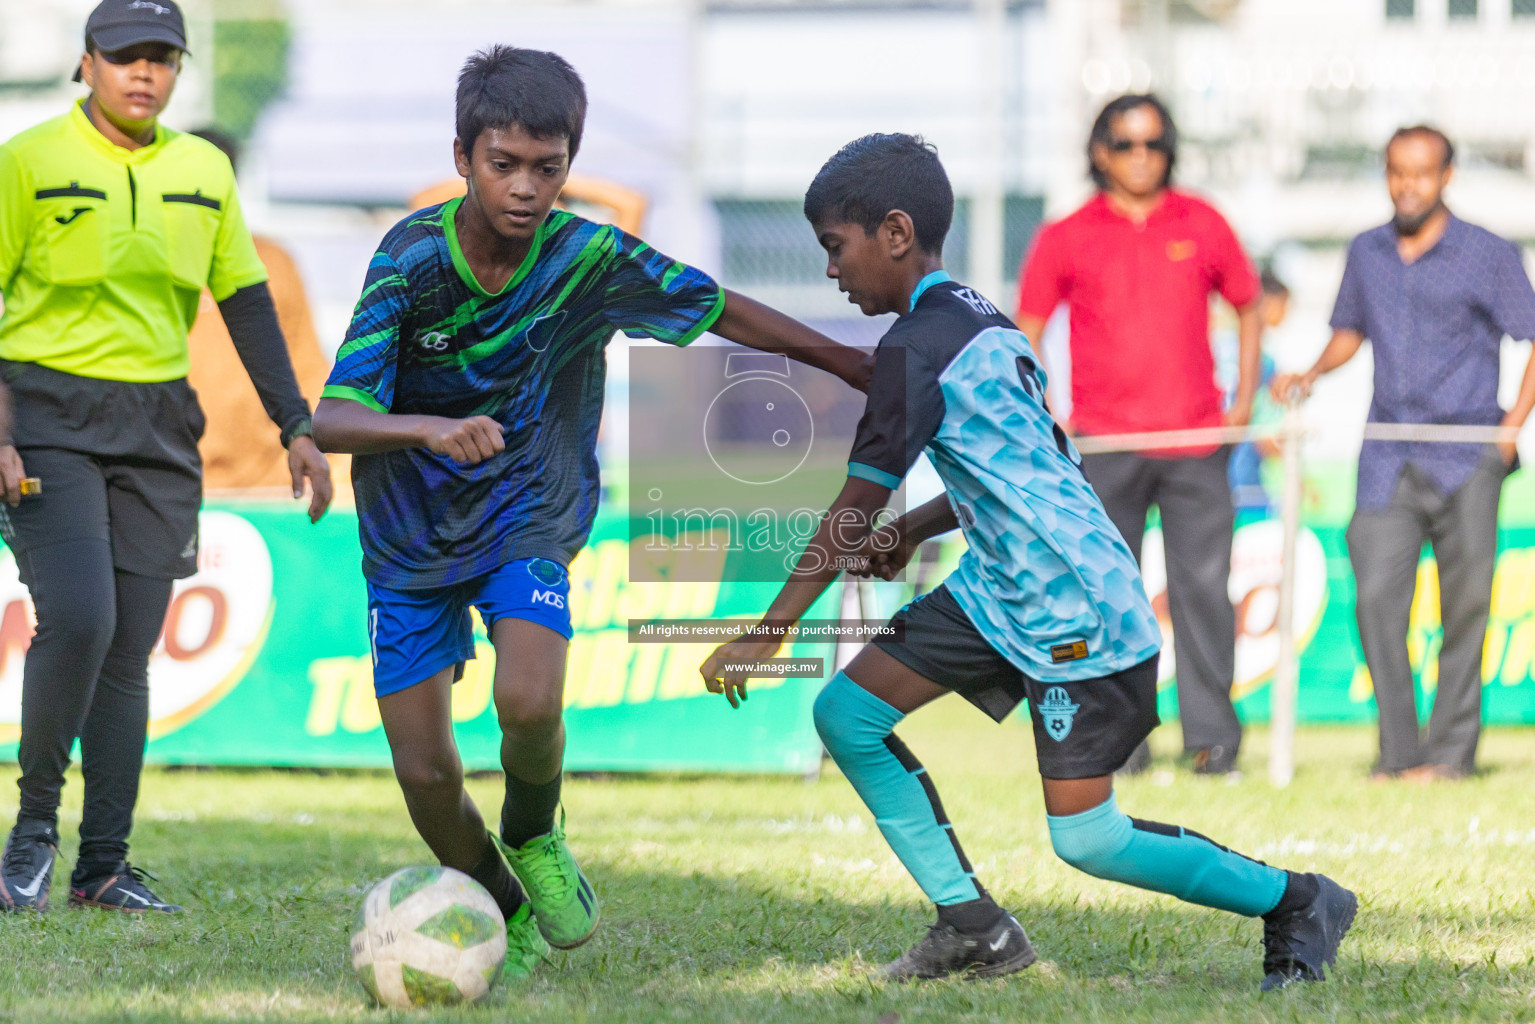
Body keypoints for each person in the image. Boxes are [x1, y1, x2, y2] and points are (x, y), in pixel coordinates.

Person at [701, 133, 1355, 991]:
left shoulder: (914, 348)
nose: (831, 270)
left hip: (1073, 606)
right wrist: (926, 525)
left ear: (893, 233)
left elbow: (855, 505)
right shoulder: (975, 316)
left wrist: (767, 631)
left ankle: (1298, 900)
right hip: (1000, 586)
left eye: (835, 247)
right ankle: (972, 926)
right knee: (848, 716)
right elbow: (1027, 463)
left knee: (1088, 839)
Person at [312, 46, 869, 980]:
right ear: (462, 157)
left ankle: (533, 833)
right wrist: (429, 429)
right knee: (425, 775)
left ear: (569, 162)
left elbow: (717, 306)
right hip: (407, 539)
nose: (527, 188)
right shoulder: (410, 257)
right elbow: (332, 416)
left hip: (531, 511)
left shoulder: (588, 257)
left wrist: (847, 360)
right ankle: (503, 903)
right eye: (504, 164)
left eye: (548, 166)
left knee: (529, 702)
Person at [0, 0, 331, 914]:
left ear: (179, 70)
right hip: (46, 416)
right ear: (87, 65)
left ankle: (102, 865)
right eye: (123, 56)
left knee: (128, 651)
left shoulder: (204, 170)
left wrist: (295, 427)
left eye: (161, 58)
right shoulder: (26, 161)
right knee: (79, 618)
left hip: (156, 431)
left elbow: (246, 303)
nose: (143, 73)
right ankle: (30, 836)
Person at [1273, 126, 1535, 782]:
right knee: (1373, 604)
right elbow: (1347, 333)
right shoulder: (1365, 251)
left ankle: (1448, 758)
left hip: (1466, 454)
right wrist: (1309, 373)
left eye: (1420, 172)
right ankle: (1397, 755)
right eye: (1395, 172)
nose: (1406, 184)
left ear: (1445, 175)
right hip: (1385, 456)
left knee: (1464, 608)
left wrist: (1508, 432)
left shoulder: (1488, 253)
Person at [1015, 94, 1261, 776]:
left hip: (1195, 444)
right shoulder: (1065, 234)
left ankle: (1213, 744)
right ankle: (1121, 743)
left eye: (1153, 143)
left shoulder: (1203, 221)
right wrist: (1046, 412)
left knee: (1203, 596)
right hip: (1102, 447)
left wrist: (1242, 400)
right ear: (1100, 152)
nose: (1140, 155)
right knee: (1107, 602)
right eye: (1125, 143)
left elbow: (1248, 305)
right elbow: (1025, 330)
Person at [186, 127, 350, 496]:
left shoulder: (272, 264)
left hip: (265, 486)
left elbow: (307, 369)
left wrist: (326, 454)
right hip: (172, 477)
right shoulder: (147, 263)